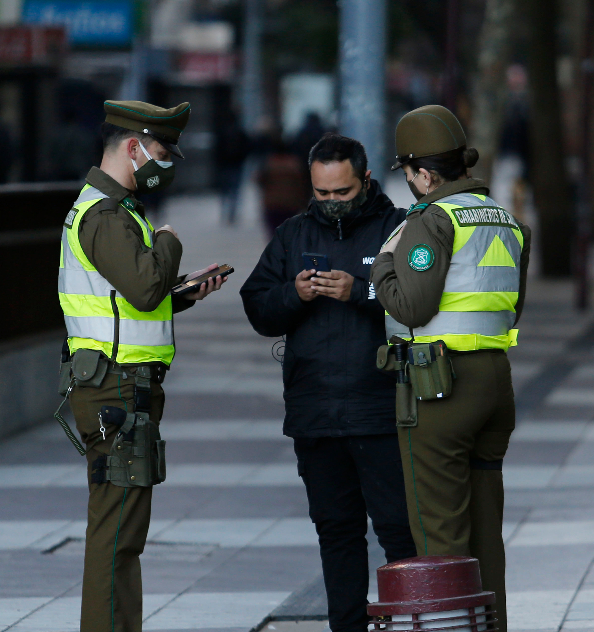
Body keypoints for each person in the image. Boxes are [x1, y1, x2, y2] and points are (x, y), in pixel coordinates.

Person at [57, 99, 226, 632]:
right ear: (132, 148)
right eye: (160, 152)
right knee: (117, 535)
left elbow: (127, 302)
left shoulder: (115, 210)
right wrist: (170, 244)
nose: (166, 164)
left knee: (122, 531)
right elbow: (146, 286)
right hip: (117, 390)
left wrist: (187, 294)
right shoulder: (106, 215)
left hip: (120, 387)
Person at [240, 133, 415, 632]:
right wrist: (294, 294)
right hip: (316, 415)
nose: (333, 203)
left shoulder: (396, 229)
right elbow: (258, 306)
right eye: (322, 193)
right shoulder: (294, 236)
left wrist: (361, 293)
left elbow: (420, 305)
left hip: (381, 413)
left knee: (399, 535)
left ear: (364, 180)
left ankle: (408, 624)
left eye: (342, 192)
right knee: (336, 535)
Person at [370, 105, 532, 632]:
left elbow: (411, 307)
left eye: (409, 174)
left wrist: (383, 267)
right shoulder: (503, 219)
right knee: (487, 532)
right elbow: (512, 305)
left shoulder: (430, 221)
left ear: (423, 172)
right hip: (494, 381)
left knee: (440, 534)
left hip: (440, 387)